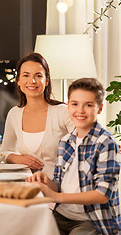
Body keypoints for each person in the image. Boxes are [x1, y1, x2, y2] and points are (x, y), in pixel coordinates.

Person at [27, 78, 121, 234]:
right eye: (75, 104)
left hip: (92, 221)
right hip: (62, 215)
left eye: (88, 105)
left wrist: (55, 196)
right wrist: (47, 181)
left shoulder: (106, 143)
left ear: (99, 108)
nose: (80, 110)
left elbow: (102, 195)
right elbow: (59, 183)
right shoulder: (66, 141)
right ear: (68, 106)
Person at [0, 53, 74, 178]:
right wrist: (19, 159)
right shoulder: (14, 114)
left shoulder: (62, 112)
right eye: (26, 75)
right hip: (28, 186)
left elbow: (83, 146)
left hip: (60, 187)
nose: (32, 81)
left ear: (46, 81)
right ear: (18, 81)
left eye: (38, 75)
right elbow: (5, 152)